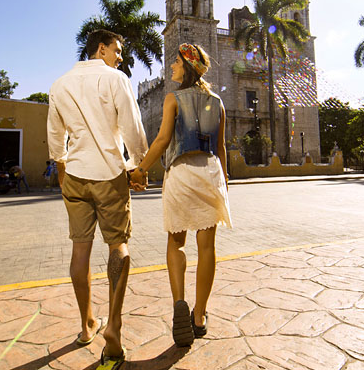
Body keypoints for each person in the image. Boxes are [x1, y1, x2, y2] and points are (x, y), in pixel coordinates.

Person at [47, 29, 148, 369]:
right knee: (118, 246)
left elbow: (54, 133)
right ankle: (113, 329)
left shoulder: (59, 84)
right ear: (101, 48)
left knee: (80, 249)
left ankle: (87, 324)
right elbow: (132, 127)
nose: (121, 57)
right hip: (108, 175)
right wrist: (138, 166)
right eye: (117, 50)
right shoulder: (115, 79)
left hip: (75, 175)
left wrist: (61, 166)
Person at [130, 43, 231, 347]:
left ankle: (179, 303)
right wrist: (224, 180)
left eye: (175, 62)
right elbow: (222, 146)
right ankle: (199, 317)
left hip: (182, 171)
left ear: (186, 66)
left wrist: (140, 170)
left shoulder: (173, 99)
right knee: (207, 247)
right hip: (211, 172)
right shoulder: (218, 101)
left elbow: (162, 140)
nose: (171, 67)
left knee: (176, 241)